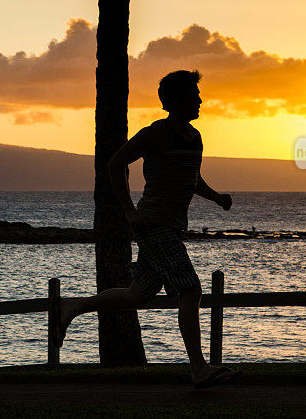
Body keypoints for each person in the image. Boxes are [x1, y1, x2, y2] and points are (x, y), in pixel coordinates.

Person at [55, 69, 237, 389]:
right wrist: (127, 211)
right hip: (152, 225)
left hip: (171, 227)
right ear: (174, 100)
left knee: (136, 295)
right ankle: (198, 368)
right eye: (193, 96)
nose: (199, 100)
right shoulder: (157, 133)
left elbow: (191, 179)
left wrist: (216, 197)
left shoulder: (194, 137)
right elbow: (115, 164)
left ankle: (72, 307)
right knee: (191, 289)